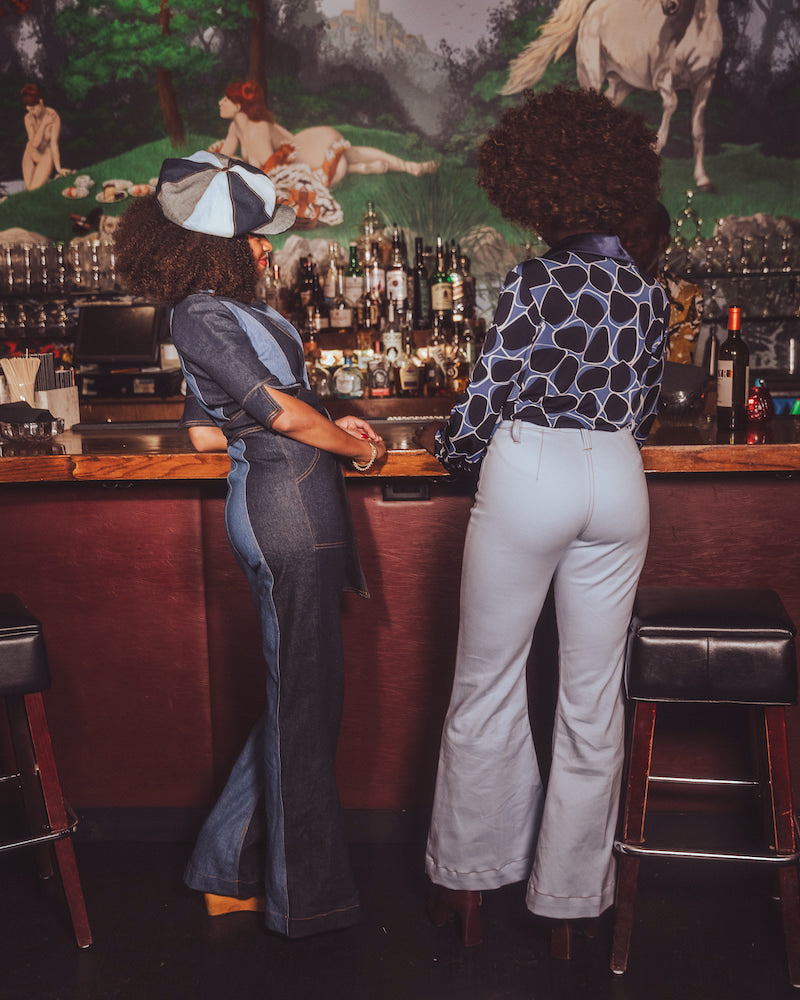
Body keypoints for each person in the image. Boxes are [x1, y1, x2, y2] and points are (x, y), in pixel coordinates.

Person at [419, 86, 670, 956]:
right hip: (619, 477)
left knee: (488, 685)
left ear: (536, 186)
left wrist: (448, 454)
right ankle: (569, 902)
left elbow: (487, 398)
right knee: (593, 703)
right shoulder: (646, 288)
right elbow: (643, 410)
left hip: (533, 468)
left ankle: (474, 886)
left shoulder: (536, 279)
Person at [113, 150, 386, 938]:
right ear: (216, 246)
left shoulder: (231, 310)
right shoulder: (200, 310)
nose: (268, 248)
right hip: (284, 515)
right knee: (304, 701)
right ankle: (303, 898)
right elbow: (276, 414)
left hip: (296, 505)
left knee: (300, 695)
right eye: (257, 238)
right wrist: (357, 449)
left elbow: (209, 424)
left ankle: (222, 868)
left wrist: (338, 419)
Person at [212, 80, 438, 226]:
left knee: (348, 155)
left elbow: (270, 170)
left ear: (239, 106)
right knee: (350, 157)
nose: (220, 103)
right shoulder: (236, 128)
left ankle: (406, 167)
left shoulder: (258, 128)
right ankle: (377, 168)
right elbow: (223, 158)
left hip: (313, 151)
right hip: (307, 159)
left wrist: (238, 162)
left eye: (225, 99)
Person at [617, 202, 704, 365]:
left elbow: (677, 370)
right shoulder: (601, 288)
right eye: (622, 235)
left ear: (663, 242)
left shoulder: (684, 295)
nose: (628, 243)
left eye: (640, 234)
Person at [21, 83, 70, 190]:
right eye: (29, 110)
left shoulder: (53, 116)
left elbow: (54, 144)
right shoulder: (28, 118)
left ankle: (52, 180)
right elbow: (34, 144)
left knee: (33, 189)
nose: (31, 112)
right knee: (28, 188)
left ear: (41, 102)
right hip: (30, 152)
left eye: (33, 108)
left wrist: (58, 168)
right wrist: (43, 124)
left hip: (45, 155)